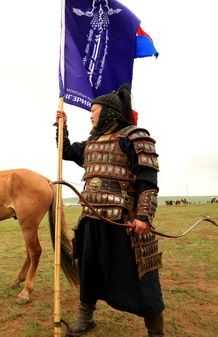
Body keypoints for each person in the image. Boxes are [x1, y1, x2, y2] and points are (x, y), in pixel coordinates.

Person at [55, 84, 164, 336]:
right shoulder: (93, 143)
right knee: (88, 270)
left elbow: (148, 184)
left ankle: (156, 332)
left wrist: (143, 216)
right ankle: (86, 317)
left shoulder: (135, 137)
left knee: (142, 277)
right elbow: (68, 151)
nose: (91, 115)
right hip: (91, 221)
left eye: (94, 110)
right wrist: (62, 128)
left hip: (125, 224)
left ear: (108, 113)